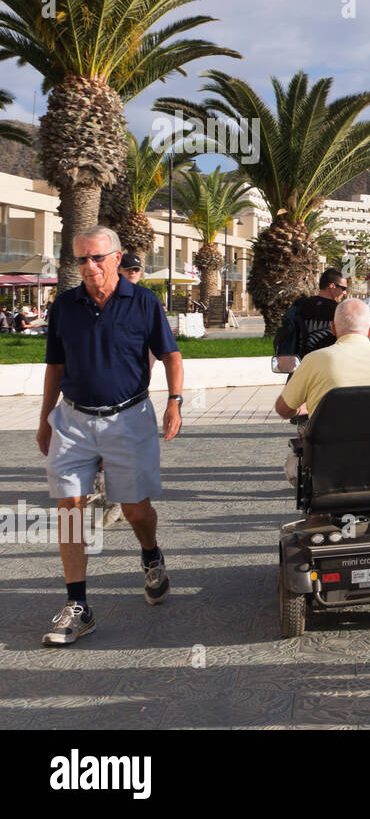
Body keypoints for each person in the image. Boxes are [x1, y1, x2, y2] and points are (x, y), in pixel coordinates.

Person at [36, 226, 184, 647]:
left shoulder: (143, 301)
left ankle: (150, 553)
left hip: (129, 418)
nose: (89, 266)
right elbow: (55, 366)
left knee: (136, 510)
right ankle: (77, 605)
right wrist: (45, 418)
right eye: (82, 259)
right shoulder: (65, 305)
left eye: (97, 257)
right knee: (69, 506)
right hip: (73, 420)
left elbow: (171, 355)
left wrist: (174, 402)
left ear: (117, 258)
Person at [274, 299, 370, 419]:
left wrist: (304, 408)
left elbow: (283, 409)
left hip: (328, 447)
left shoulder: (313, 360)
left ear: (332, 328)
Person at [275, 269, 349, 373]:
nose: (344, 292)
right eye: (343, 288)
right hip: (327, 369)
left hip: (300, 368)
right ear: (332, 286)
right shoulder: (339, 310)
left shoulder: (300, 305)